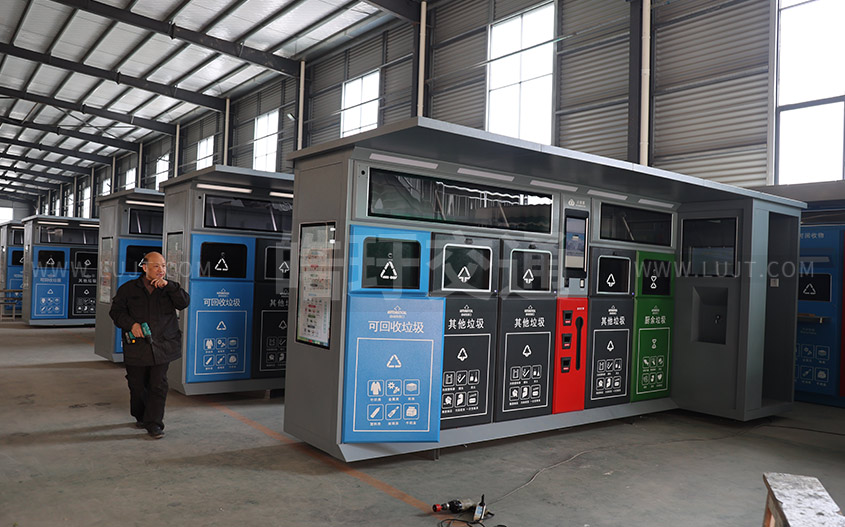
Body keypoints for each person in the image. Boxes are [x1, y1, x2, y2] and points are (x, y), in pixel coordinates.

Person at [109, 252, 190, 439]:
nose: (161, 270)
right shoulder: (128, 289)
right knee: (137, 385)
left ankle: (154, 424)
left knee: (158, 384)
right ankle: (141, 415)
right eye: (156, 266)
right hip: (137, 346)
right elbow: (116, 312)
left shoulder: (170, 289)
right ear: (144, 267)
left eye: (163, 266)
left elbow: (184, 303)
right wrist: (131, 325)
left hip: (163, 345)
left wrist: (170, 287)